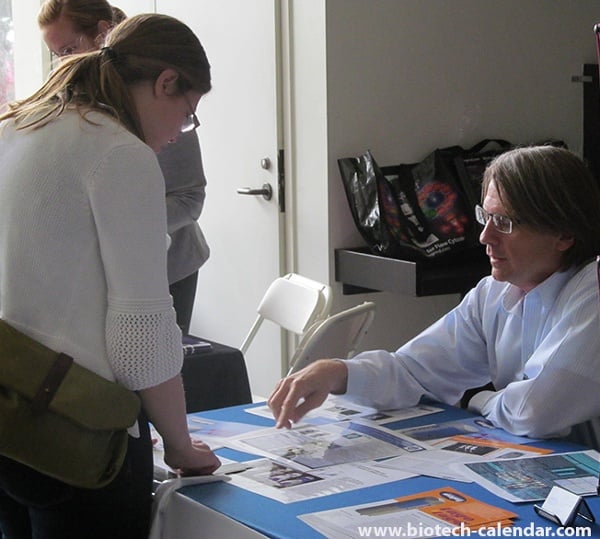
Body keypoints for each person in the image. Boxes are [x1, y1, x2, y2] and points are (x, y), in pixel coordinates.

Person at [0, 13, 220, 538]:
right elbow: (140, 338)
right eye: (187, 114)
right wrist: (180, 445)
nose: (176, 135)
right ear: (166, 82)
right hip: (75, 428)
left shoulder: (16, 126)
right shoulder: (121, 153)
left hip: (8, 413)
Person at [269, 145, 600, 447]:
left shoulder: (592, 292)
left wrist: (477, 400)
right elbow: (414, 373)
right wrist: (337, 372)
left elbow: (534, 413)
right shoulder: (494, 293)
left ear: (564, 234)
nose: (485, 236)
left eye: (505, 222)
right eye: (486, 217)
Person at [39, 0, 210, 336]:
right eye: (56, 54)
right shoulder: (72, 111)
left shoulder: (161, 107)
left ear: (102, 34)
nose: (64, 62)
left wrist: (124, 225)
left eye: (69, 48)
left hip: (171, 265)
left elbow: (190, 197)